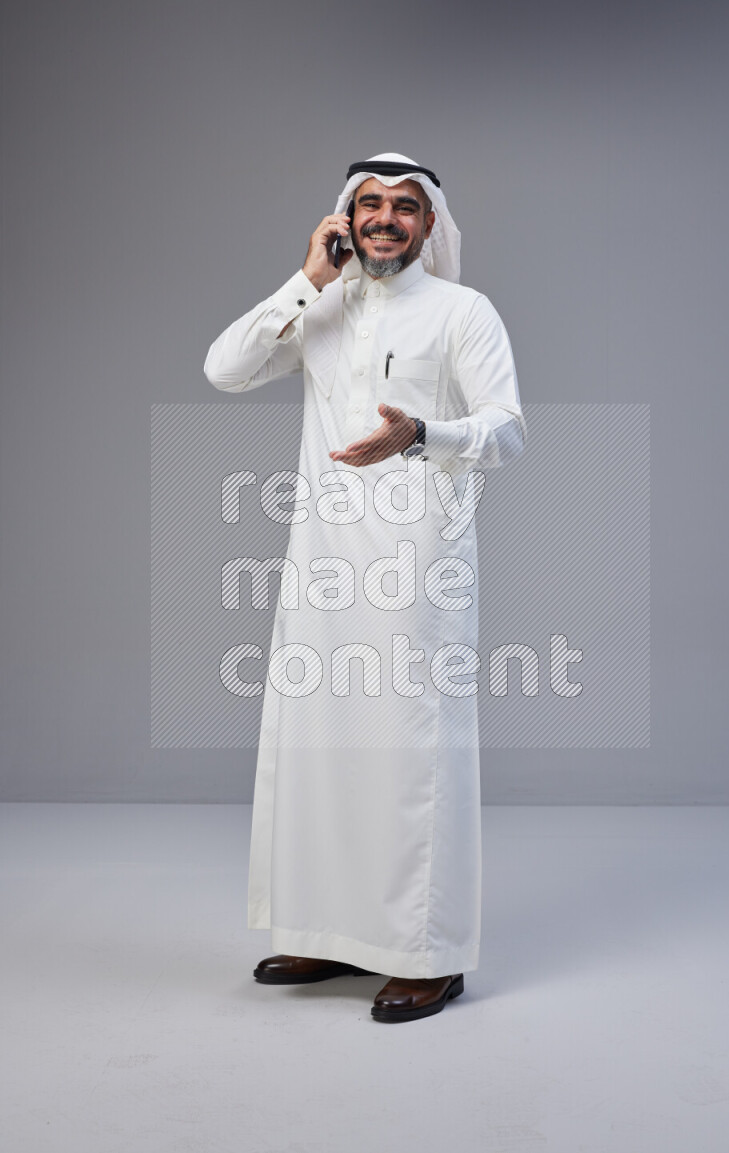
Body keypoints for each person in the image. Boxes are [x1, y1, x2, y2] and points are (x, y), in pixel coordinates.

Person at [204, 153, 526, 1023]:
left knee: (413, 751)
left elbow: (507, 432)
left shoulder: (463, 311)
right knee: (318, 742)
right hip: (322, 563)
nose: (386, 219)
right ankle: (327, 929)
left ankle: (431, 951)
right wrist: (307, 277)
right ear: (346, 216)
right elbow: (224, 370)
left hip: (417, 564)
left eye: (406, 208)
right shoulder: (325, 304)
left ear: (430, 225)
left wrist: (422, 433)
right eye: (370, 205)